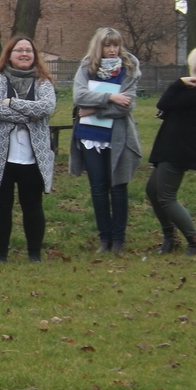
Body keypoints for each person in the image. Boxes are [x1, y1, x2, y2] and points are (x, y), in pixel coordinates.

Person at [0, 36, 56, 263]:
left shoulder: (43, 82)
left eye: (28, 50)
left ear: (34, 55)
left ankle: (34, 254)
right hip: (0, 157)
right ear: (9, 55)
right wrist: (30, 115)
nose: (24, 54)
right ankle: (0, 255)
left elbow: (47, 107)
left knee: (33, 206)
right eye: (19, 50)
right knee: (1, 207)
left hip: (33, 158)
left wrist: (12, 102)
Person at [70, 27, 142, 254]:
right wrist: (110, 96)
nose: (112, 50)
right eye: (107, 45)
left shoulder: (129, 68)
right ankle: (105, 239)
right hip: (90, 136)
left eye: (116, 45)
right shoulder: (86, 67)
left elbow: (126, 105)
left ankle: (119, 239)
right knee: (98, 188)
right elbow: (79, 96)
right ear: (98, 46)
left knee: (118, 187)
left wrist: (94, 110)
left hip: (118, 136)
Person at [146, 46, 196, 255]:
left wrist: (179, 83)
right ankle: (170, 237)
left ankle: (194, 242)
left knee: (166, 197)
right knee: (153, 191)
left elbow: (164, 103)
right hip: (173, 145)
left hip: (180, 148)